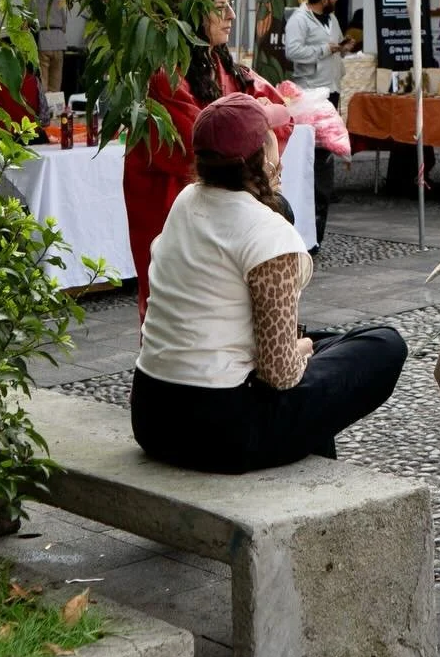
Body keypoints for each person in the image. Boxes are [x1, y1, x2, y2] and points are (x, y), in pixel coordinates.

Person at [131, 93, 406, 470]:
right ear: (258, 157)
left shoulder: (186, 201)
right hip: (219, 430)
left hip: (153, 414)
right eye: (272, 137)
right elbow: (279, 373)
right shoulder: (267, 234)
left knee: (326, 346)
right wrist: (303, 346)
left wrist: (305, 345)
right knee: (384, 344)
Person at [123, 0, 252, 319]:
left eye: (230, 7)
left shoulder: (219, 61)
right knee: (177, 297)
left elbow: (262, 105)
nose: (231, 17)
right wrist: (262, 121)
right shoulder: (164, 72)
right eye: (221, 8)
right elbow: (208, 137)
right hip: (170, 201)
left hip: (208, 197)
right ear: (193, 14)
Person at [285, 0, 344, 242]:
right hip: (309, 91)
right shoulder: (299, 20)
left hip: (330, 89)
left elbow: (335, 45)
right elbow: (292, 51)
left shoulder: (331, 19)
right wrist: (324, 50)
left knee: (326, 153)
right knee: (315, 153)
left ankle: (322, 199)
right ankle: (314, 203)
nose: (336, 0)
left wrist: (341, 49)